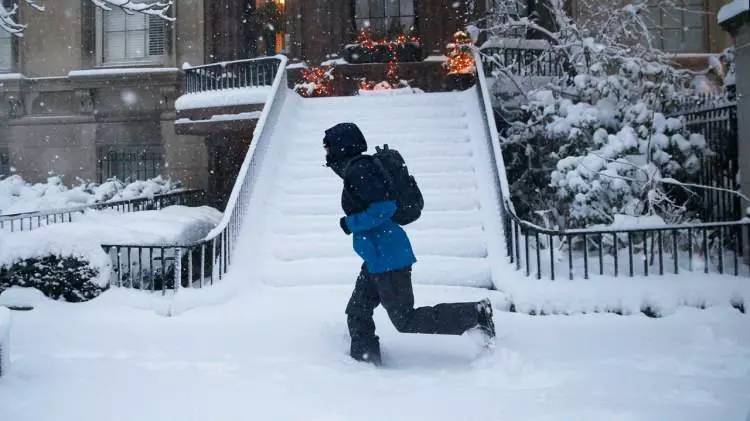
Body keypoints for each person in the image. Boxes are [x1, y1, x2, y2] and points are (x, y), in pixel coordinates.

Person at [323, 122, 495, 366]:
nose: (327, 154)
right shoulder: (358, 168)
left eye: (328, 148)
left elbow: (385, 208)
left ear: (342, 146)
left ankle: (475, 314)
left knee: (405, 320)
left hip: (388, 258)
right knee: (358, 311)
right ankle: (365, 364)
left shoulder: (359, 171)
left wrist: (351, 223)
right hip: (377, 257)